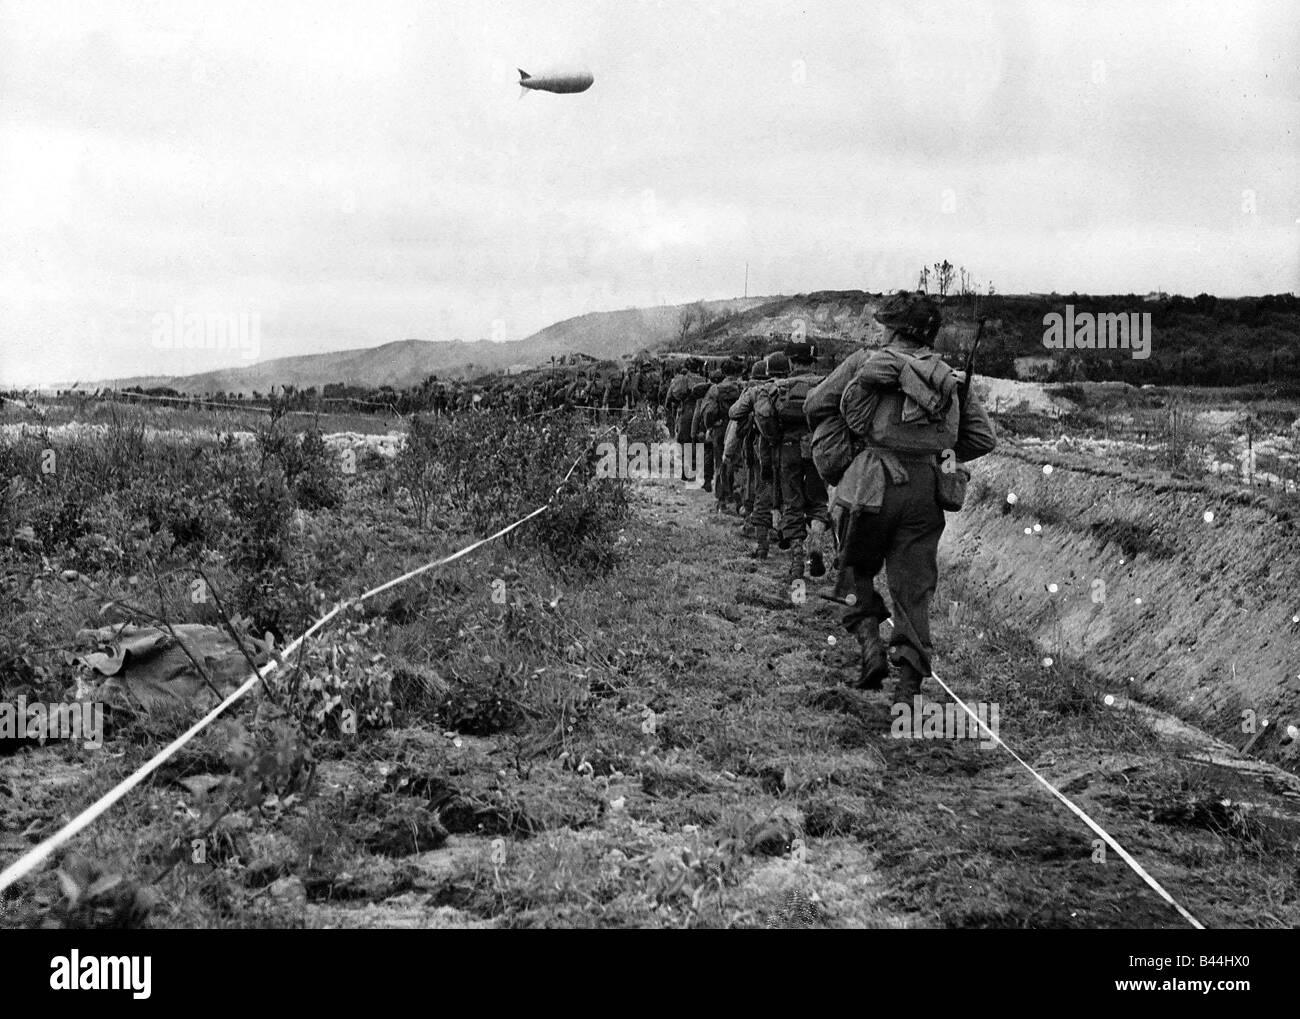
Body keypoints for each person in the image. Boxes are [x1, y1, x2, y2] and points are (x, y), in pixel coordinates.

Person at [804, 291, 997, 699]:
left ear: (893, 329)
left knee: (855, 569)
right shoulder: (949, 377)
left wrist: (858, 440)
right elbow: (981, 437)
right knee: (913, 588)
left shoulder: (866, 363)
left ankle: (871, 648)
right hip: (927, 490)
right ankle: (907, 688)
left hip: (872, 486)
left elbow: (817, 402)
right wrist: (931, 452)